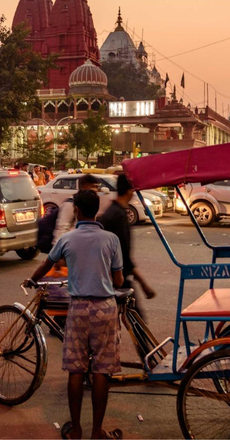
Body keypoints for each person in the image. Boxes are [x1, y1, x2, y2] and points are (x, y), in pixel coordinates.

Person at [25, 189, 124, 440]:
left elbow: (47, 265)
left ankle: (76, 429)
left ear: (77, 210)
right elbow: (119, 278)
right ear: (96, 210)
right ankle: (97, 431)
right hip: (105, 308)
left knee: (76, 370)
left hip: (78, 308)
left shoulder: (67, 240)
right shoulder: (111, 239)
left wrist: (31, 280)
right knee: (102, 370)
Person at [98, 175, 156, 318]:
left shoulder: (114, 211)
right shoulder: (118, 216)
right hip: (117, 277)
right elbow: (123, 254)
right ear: (130, 191)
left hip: (110, 276)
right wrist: (143, 283)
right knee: (136, 320)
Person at [53, 174, 102, 244]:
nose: (96, 189)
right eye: (93, 186)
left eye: (97, 187)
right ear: (84, 187)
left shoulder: (92, 203)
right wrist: (60, 248)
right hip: (72, 245)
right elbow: (62, 228)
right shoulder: (71, 203)